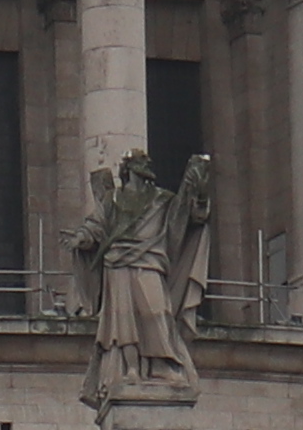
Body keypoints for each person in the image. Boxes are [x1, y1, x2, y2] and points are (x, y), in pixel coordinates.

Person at [72, 148, 214, 406]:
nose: (147, 165)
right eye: (140, 162)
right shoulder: (113, 200)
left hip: (150, 262)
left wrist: (199, 189)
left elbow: (188, 215)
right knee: (123, 323)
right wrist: (83, 237)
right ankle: (131, 370)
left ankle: (163, 364)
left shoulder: (162, 199)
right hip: (118, 265)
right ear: (129, 169)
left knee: (156, 313)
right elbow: (96, 225)